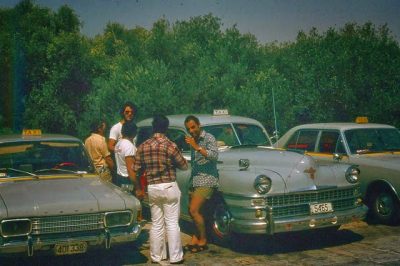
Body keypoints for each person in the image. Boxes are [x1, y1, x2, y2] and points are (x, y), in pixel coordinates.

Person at [133, 115, 188, 264]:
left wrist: (139, 187)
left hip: (153, 187)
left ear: (153, 127)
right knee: (171, 223)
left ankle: (156, 256)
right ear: (166, 128)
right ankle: (176, 257)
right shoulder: (170, 145)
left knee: (156, 223)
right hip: (169, 185)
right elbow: (184, 165)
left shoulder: (143, 146)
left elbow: (136, 169)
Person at [184, 115, 219, 253]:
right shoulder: (193, 140)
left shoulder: (209, 138)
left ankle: (203, 240)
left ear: (199, 125)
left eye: (193, 127)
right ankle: (195, 237)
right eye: (189, 129)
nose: (191, 131)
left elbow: (214, 156)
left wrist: (196, 147)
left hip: (207, 179)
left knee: (194, 210)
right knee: (192, 211)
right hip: (195, 179)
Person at [114, 121, 142, 196]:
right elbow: (131, 171)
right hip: (127, 181)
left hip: (119, 177)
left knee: (123, 201)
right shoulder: (129, 146)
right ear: (134, 133)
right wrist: (138, 188)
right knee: (130, 202)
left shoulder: (118, 144)